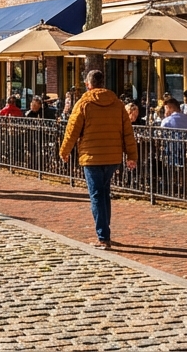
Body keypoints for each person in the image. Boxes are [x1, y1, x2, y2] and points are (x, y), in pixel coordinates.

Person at [60, 70, 136, 250]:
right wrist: (132, 155)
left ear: (88, 84)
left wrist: (65, 150)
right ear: (103, 83)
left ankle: (103, 236)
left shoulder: (84, 103)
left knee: (96, 195)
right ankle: (105, 231)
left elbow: (72, 130)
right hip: (113, 156)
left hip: (91, 156)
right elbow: (128, 132)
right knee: (104, 193)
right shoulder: (117, 104)